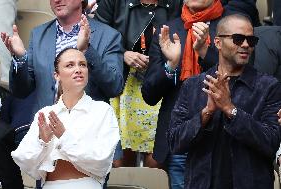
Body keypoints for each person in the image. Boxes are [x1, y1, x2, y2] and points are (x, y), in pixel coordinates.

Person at [141, 0, 259, 188]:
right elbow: (149, 95)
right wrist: (170, 66)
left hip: (224, 137)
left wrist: (205, 52)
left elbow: (245, 79)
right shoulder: (168, 30)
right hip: (181, 138)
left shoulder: (234, 27)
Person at [167, 14, 281, 189]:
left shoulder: (268, 87)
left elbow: (271, 143)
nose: (245, 45)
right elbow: (175, 142)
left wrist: (230, 109)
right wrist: (206, 113)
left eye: (251, 40)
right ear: (218, 43)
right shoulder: (194, 85)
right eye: (238, 39)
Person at [11, 48, 120, 189]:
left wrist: (64, 137)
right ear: (56, 75)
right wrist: (42, 141)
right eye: (70, 65)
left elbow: (102, 160)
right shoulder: (45, 113)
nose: (78, 69)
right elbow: (24, 160)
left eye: (82, 64)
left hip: (87, 185)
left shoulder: (102, 110)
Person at [94, 0, 183, 168]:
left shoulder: (175, 3)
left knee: (156, 157)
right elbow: (97, 35)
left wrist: (161, 57)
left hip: (160, 79)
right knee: (120, 156)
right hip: (122, 80)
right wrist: (122, 54)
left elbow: (181, 35)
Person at [1, 0, 124, 115]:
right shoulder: (38, 34)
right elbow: (21, 91)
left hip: (88, 129)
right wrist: (20, 58)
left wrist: (87, 50)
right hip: (47, 129)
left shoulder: (109, 35)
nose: (57, 0)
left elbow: (114, 87)